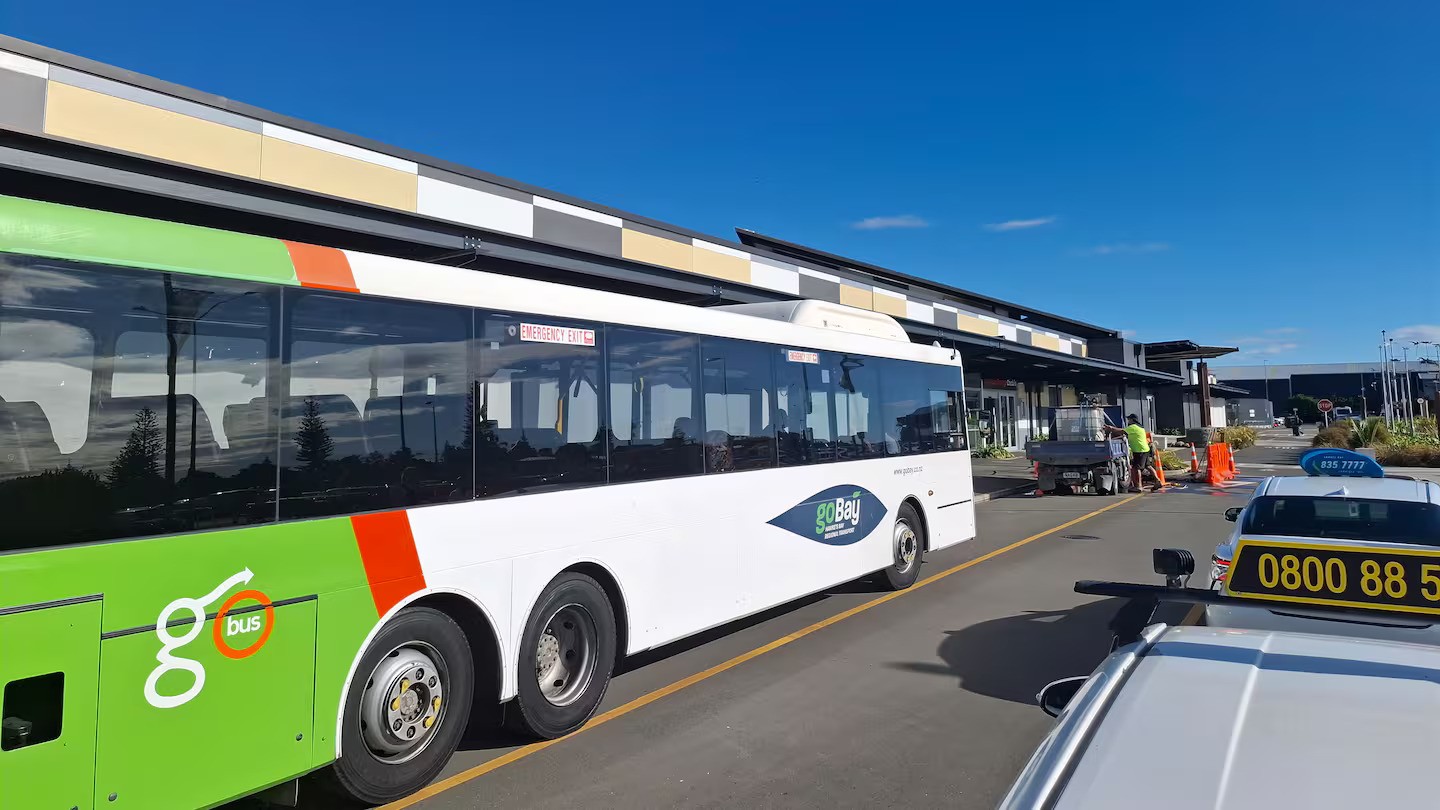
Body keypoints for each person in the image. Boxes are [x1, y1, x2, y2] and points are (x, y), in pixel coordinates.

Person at [1104, 414, 1154, 493]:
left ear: (1132, 420)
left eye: (1129, 419)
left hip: (1139, 450)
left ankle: (1139, 486)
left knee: (1136, 468)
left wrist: (1110, 428)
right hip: (1145, 449)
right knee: (1148, 466)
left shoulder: (1133, 427)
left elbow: (1121, 431)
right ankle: (1158, 481)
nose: (1128, 421)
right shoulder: (1140, 427)